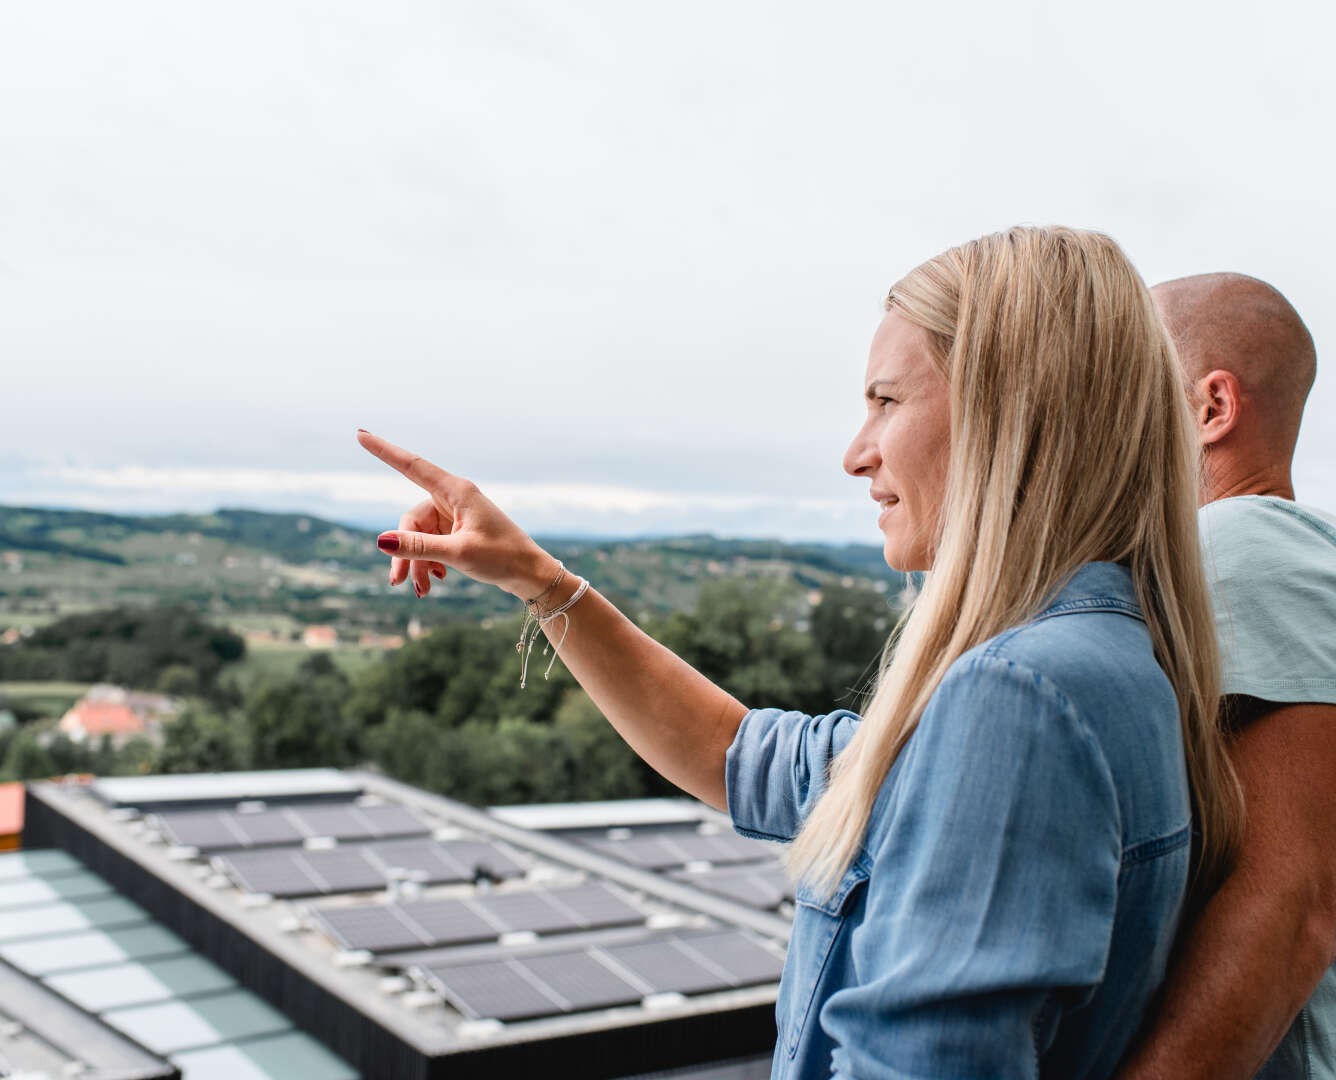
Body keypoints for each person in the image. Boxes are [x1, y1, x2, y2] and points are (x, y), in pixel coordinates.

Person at [358, 225, 1241, 1078]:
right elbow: (736, 752)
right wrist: (540, 582)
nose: (855, 454)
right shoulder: (1109, 662)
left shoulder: (1018, 696)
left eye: (886, 401)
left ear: (1014, 410)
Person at [1117, 274, 1336, 1080]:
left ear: (1213, 408)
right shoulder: (1291, 551)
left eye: (1132, 386)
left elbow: (1293, 913)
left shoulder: (1238, 548)